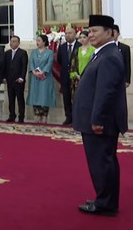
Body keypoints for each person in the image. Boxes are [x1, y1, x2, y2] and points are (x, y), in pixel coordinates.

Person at [74, 14, 128, 216]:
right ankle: (106, 199)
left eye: (96, 31)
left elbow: (106, 92)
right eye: (90, 31)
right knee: (104, 161)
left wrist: (97, 120)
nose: (91, 35)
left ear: (110, 32)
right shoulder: (103, 53)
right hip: (97, 119)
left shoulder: (110, 55)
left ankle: (105, 204)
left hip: (100, 122)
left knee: (101, 162)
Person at [26, 35, 56, 124]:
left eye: (39, 40)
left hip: (45, 78)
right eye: (37, 40)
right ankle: (37, 114)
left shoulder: (49, 52)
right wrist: (34, 72)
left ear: (44, 42)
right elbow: (31, 62)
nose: (37, 42)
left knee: (45, 96)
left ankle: (44, 116)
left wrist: (43, 72)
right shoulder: (33, 52)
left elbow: (49, 63)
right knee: (35, 95)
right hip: (35, 78)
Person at [57, 28, 80, 125]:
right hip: (65, 77)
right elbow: (59, 60)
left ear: (75, 35)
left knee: (76, 98)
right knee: (66, 98)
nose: (67, 35)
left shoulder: (80, 46)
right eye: (66, 33)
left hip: (76, 77)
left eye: (70, 33)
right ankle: (68, 117)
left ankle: (76, 118)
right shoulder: (62, 47)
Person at [3, 36, 28, 123]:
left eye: (14, 41)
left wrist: (22, 77)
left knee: (20, 99)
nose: (12, 43)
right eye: (11, 41)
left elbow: (24, 66)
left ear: (18, 43)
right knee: (11, 99)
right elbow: (5, 67)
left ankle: (21, 116)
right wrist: (4, 77)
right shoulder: (7, 53)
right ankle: (12, 115)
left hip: (19, 80)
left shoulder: (23, 53)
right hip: (9, 80)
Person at [69, 30, 95, 98]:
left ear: (88, 38)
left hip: (89, 78)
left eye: (84, 37)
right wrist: (76, 75)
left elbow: (94, 63)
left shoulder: (93, 50)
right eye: (80, 37)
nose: (82, 39)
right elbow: (73, 64)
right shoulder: (77, 50)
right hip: (78, 78)